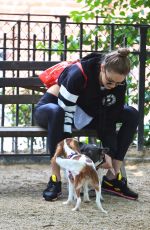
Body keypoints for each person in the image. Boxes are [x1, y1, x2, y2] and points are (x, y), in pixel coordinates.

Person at [34, 48, 139, 201]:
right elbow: (66, 118)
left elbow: (109, 118)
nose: (113, 86)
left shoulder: (117, 82)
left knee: (131, 113)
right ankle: (55, 180)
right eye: (110, 81)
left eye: (118, 83)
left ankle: (113, 178)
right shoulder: (78, 74)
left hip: (86, 113)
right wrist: (75, 155)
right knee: (57, 113)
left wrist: (109, 152)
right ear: (102, 68)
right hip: (54, 109)